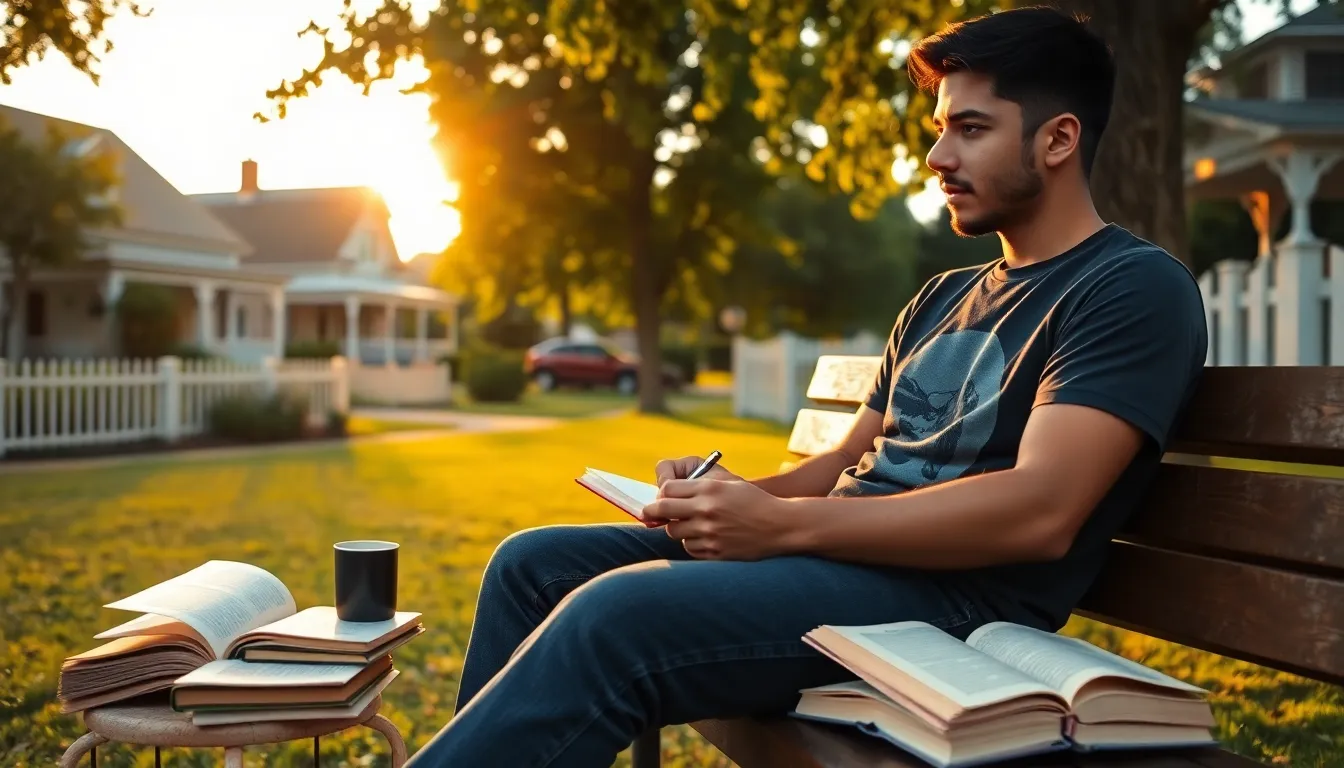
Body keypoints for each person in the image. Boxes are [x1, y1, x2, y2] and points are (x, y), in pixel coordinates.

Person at [405, 7, 1208, 767]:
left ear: (1059, 139)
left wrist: (785, 527)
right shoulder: (939, 297)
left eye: (971, 129)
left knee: (610, 617)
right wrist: (731, 497)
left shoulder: (1128, 288)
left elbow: (1041, 512)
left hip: (955, 602)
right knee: (530, 564)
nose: (937, 158)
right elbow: (842, 467)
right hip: (840, 563)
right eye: (940, 130)